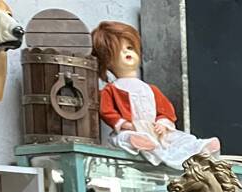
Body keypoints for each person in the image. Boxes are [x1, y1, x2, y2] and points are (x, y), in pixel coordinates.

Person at [90, 21, 218, 168]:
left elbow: (165, 111)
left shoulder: (150, 89)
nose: (126, 52)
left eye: (130, 47)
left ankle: (199, 147)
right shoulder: (111, 89)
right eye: (119, 50)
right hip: (134, 128)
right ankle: (141, 143)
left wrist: (162, 124)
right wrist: (124, 124)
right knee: (123, 138)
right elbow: (107, 110)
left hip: (155, 130)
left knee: (180, 138)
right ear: (107, 60)